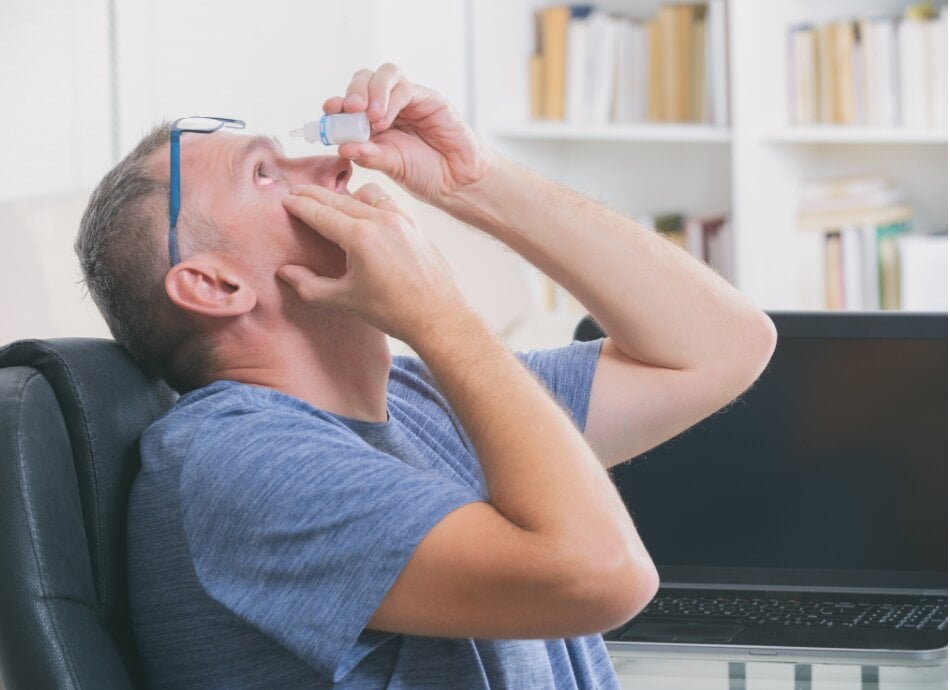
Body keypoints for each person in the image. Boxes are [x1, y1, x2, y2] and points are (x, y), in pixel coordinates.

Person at [75, 64, 777, 689]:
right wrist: (438, 314)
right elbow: (605, 575)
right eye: (265, 174)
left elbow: (722, 347)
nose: (334, 168)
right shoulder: (235, 461)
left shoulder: (418, 398)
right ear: (213, 286)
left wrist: (476, 180)